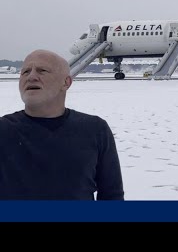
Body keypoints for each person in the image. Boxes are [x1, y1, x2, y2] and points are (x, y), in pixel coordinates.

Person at [0, 49, 124, 200]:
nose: (31, 77)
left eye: (42, 70)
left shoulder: (95, 130)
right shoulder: (4, 130)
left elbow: (112, 196)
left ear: (66, 83)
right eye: (25, 72)